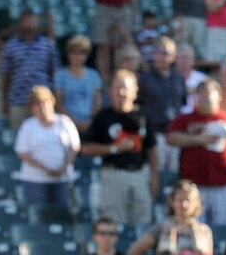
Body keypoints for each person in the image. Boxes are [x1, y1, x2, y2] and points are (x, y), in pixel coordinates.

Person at [167, 79, 226, 226]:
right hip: (194, 187)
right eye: (200, 94)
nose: (204, 97)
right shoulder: (186, 119)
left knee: (225, 227)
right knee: (194, 227)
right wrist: (200, 139)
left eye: (208, 93)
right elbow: (171, 137)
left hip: (224, 185)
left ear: (218, 96)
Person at [83, 69, 158, 227]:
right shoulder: (103, 116)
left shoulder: (143, 115)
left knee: (143, 221)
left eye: (125, 88)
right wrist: (114, 148)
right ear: (110, 91)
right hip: (114, 174)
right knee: (115, 222)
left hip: (140, 174)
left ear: (134, 91)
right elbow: (86, 148)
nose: (121, 92)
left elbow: (152, 148)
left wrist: (155, 176)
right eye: (117, 87)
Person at [15, 86, 81, 206]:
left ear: (52, 101)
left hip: (62, 179)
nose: (41, 107)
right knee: (38, 215)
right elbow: (22, 152)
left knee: (61, 215)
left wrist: (63, 167)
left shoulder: (64, 122)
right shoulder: (28, 125)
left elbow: (74, 147)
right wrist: (46, 169)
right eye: (37, 104)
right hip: (35, 180)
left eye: (44, 102)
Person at [0, 10, 58, 129]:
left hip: (42, 102)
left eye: (32, 20)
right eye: (26, 21)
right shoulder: (10, 46)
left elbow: (54, 73)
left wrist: (53, 98)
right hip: (17, 100)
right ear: (20, 23)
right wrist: (5, 101)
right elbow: (6, 75)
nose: (29, 24)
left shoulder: (48, 44)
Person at [137, 36, 187, 172]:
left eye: (167, 53)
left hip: (175, 135)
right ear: (153, 54)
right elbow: (138, 105)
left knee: (173, 174)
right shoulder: (145, 79)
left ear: (174, 57)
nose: (163, 57)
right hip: (155, 135)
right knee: (155, 173)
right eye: (159, 52)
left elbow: (183, 103)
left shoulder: (178, 78)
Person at [54, 35, 101, 135]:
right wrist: (73, 122)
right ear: (68, 54)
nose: (77, 56)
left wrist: (91, 120)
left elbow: (97, 101)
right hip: (66, 126)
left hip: (90, 125)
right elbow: (58, 102)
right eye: (73, 52)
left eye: (81, 52)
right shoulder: (60, 75)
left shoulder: (94, 75)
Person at [176, 43, 207, 113]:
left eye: (187, 58)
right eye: (181, 57)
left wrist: (196, 90)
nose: (184, 61)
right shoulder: (169, 78)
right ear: (176, 59)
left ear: (193, 60)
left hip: (195, 117)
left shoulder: (202, 79)